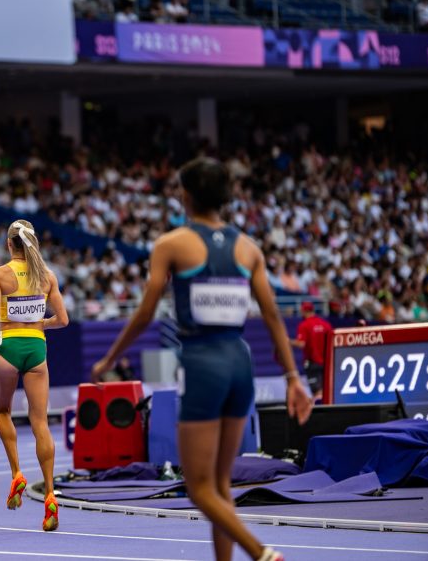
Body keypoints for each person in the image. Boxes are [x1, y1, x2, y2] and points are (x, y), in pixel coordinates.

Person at [91, 158, 312, 561]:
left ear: (185, 195)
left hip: (201, 363)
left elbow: (145, 313)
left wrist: (109, 358)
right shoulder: (250, 249)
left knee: (199, 488)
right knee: (220, 485)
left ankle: (261, 553)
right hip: (240, 362)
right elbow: (273, 316)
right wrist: (293, 376)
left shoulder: (172, 244)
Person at [0, 220, 69, 532]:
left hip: (9, 349)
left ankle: (17, 473)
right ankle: (48, 494)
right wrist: (39, 325)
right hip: (37, 351)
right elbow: (63, 319)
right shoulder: (46, 276)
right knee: (40, 422)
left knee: (4, 411)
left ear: (9, 245)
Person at [290, 301, 332, 400]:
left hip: (313, 364)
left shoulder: (304, 325)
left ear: (305, 311)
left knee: (317, 393)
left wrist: (286, 341)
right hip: (327, 364)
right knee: (327, 391)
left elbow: (301, 343)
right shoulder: (325, 324)